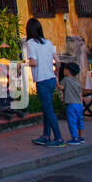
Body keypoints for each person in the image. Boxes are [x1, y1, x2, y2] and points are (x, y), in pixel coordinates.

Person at [25, 18, 63, 147]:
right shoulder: (48, 42)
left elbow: (34, 62)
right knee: (47, 108)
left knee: (48, 110)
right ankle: (46, 135)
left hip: (41, 80)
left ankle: (58, 138)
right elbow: (58, 62)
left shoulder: (30, 43)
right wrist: (56, 71)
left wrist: (22, 65)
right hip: (51, 79)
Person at [59, 61, 85, 145]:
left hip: (71, 104)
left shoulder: (66, 79)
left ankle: (75, 138)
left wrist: (56, 81)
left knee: (72, 122)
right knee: (80, 121)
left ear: (67, 71)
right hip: (79, 104)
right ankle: (81, 137)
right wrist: (81, 103)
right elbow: (80, 94)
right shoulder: (77, 81)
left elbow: (61, 87)